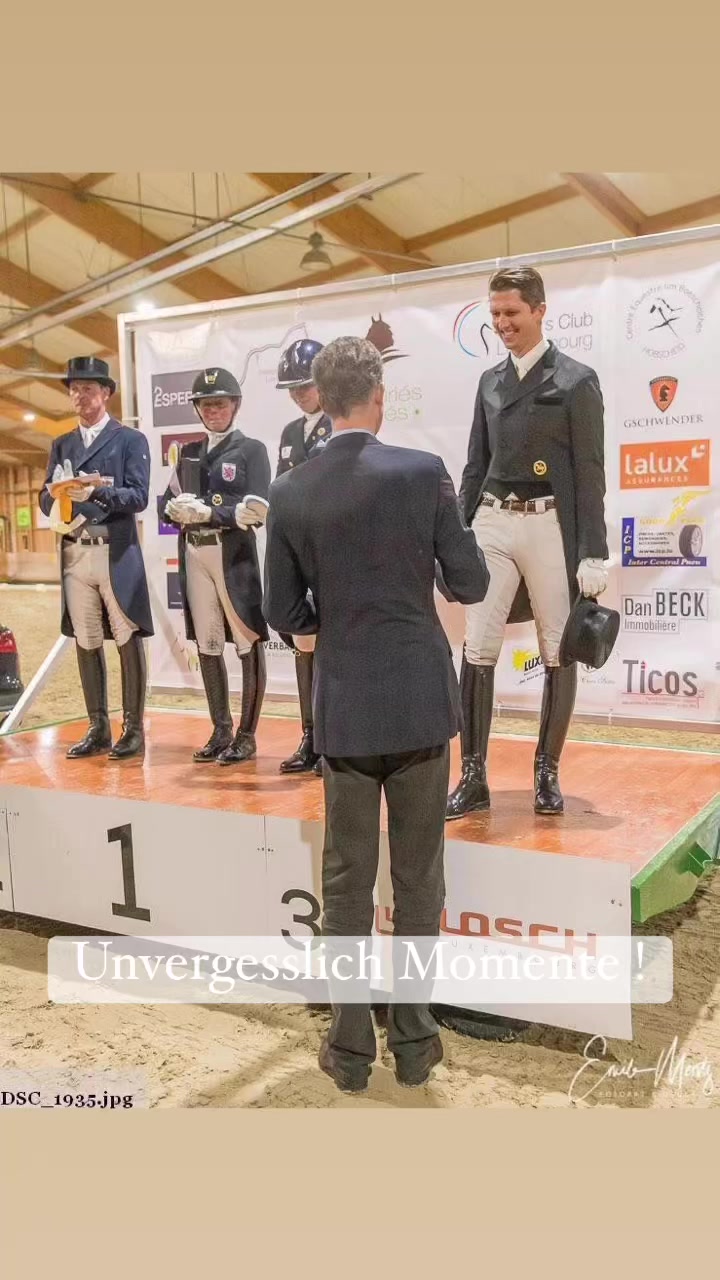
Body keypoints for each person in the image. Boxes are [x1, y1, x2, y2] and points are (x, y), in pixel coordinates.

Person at [263, 336, 489, 1094]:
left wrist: (332, 624)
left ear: (321, 401)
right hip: (420, 699)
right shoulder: (423, 472)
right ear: (379, 397)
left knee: (346, 880)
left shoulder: (291, 489)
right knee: (419, 877)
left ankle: (350, 1045)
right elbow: (470, 581)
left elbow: (282, 609)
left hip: (347, 702)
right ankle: (415, 1041)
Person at [446, 265, 608, 821]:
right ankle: (472, 776)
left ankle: (546, 771)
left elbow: (590, 472)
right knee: (477, 644)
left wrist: (592, 550)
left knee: (557, 647)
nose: (502, 323)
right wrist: (458, 533)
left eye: (511, 312)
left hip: (549, 523)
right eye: (495, 314)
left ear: (539, 310)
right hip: (493, 519)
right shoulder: (489, 381)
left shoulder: (576, 381)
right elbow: (475, 464)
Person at [38, 355, 153, 760]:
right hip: (75, 550)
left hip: (113, 549)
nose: (79, 396)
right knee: (86, 639)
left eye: (87, 388)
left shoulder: (129, 440)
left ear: (105, 393)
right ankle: (97, 726)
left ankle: (133, 728)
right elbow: (44, 496)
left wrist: (96, 492)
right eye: (74, 389)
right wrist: (58, 498)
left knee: (126, 635)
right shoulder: (62, 444)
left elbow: (138, 496)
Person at [162, 367, 270, 765]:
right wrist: (172, 509)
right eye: (206, 405)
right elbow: (165, 500)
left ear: (234, 406)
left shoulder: (252, 450)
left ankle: (247, 734)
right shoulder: (189, 451)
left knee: (246, 639)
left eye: (220, 404)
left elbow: (258, 506)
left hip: (232, 552)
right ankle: (220, 728)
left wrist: (210, 511)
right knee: (207, 642)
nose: (213, 411)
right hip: (194, 551)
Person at [273, 338, 332, 776]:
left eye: (304, 385)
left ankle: (332, 737)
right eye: (292, 387)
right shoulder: (290, 433)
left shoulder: (341, 423)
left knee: (332, 646)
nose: (298, 394)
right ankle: (310, 734)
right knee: (302, 642)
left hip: (330, 547)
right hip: (298, 547)